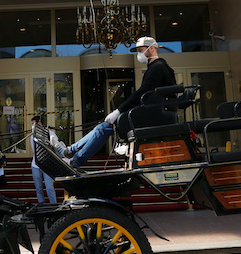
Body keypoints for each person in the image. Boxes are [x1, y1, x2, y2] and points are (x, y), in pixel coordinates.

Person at [62, 36, 176, 167]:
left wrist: (119, 111)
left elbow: (143, 92)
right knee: (103, 126)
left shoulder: (157, 67)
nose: (139, 53)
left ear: (151, 49)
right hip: (154, 113)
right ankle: (70, 152)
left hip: (154, 116)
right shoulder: (160, 66)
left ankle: (75, 159)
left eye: (140, 50)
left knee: (104, 128)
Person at [29, 114, 58, 203]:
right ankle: (41, 206)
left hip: (48, 165)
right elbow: (35, 151)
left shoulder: (51, 134)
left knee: (49, 188)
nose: (32, 127)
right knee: (39, 189)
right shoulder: (32, 137)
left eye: (34, 124)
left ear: (40, 124)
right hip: (36, 165)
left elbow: (56, 149)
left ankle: (54, 206)